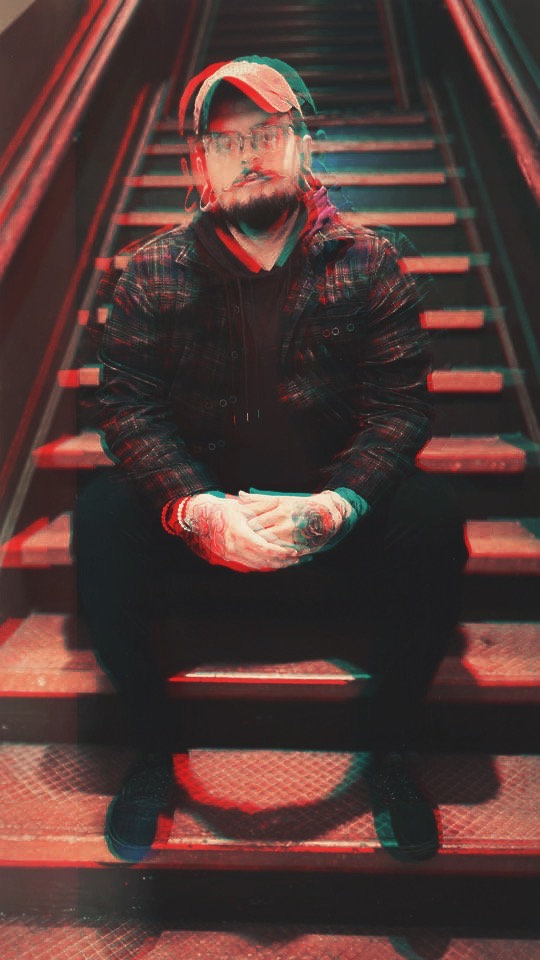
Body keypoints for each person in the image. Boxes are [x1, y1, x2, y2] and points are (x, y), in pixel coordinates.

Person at [75, 56, 468, 864]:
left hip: (326, 517)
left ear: (302, 144)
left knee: (432, 519)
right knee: (100, 520)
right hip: (207, 525)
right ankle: (152, 752)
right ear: (198, 164)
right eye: (225, 142)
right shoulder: (152, 271)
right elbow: (129, 410)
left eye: (266, 133)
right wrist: (194, 508)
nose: (248, 154)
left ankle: (390, 752)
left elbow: (399, 410)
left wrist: (338, 504)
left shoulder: (369, 262)